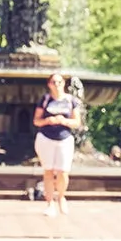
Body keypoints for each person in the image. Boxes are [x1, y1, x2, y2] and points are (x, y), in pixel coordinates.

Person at [32, 72, 83, 217]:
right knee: (48, 171)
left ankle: (61, 197)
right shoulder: (45, 99)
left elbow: (77, 122)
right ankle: (50, 203)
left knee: (63, 171)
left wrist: (64, 121)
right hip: (46, 138)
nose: (57, 85)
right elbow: (36, 121)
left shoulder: (71, 101)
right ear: (49, 84)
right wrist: (48, 121)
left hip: (64, 139)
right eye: (54, 82)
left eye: (59, 82)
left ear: (64, 84)